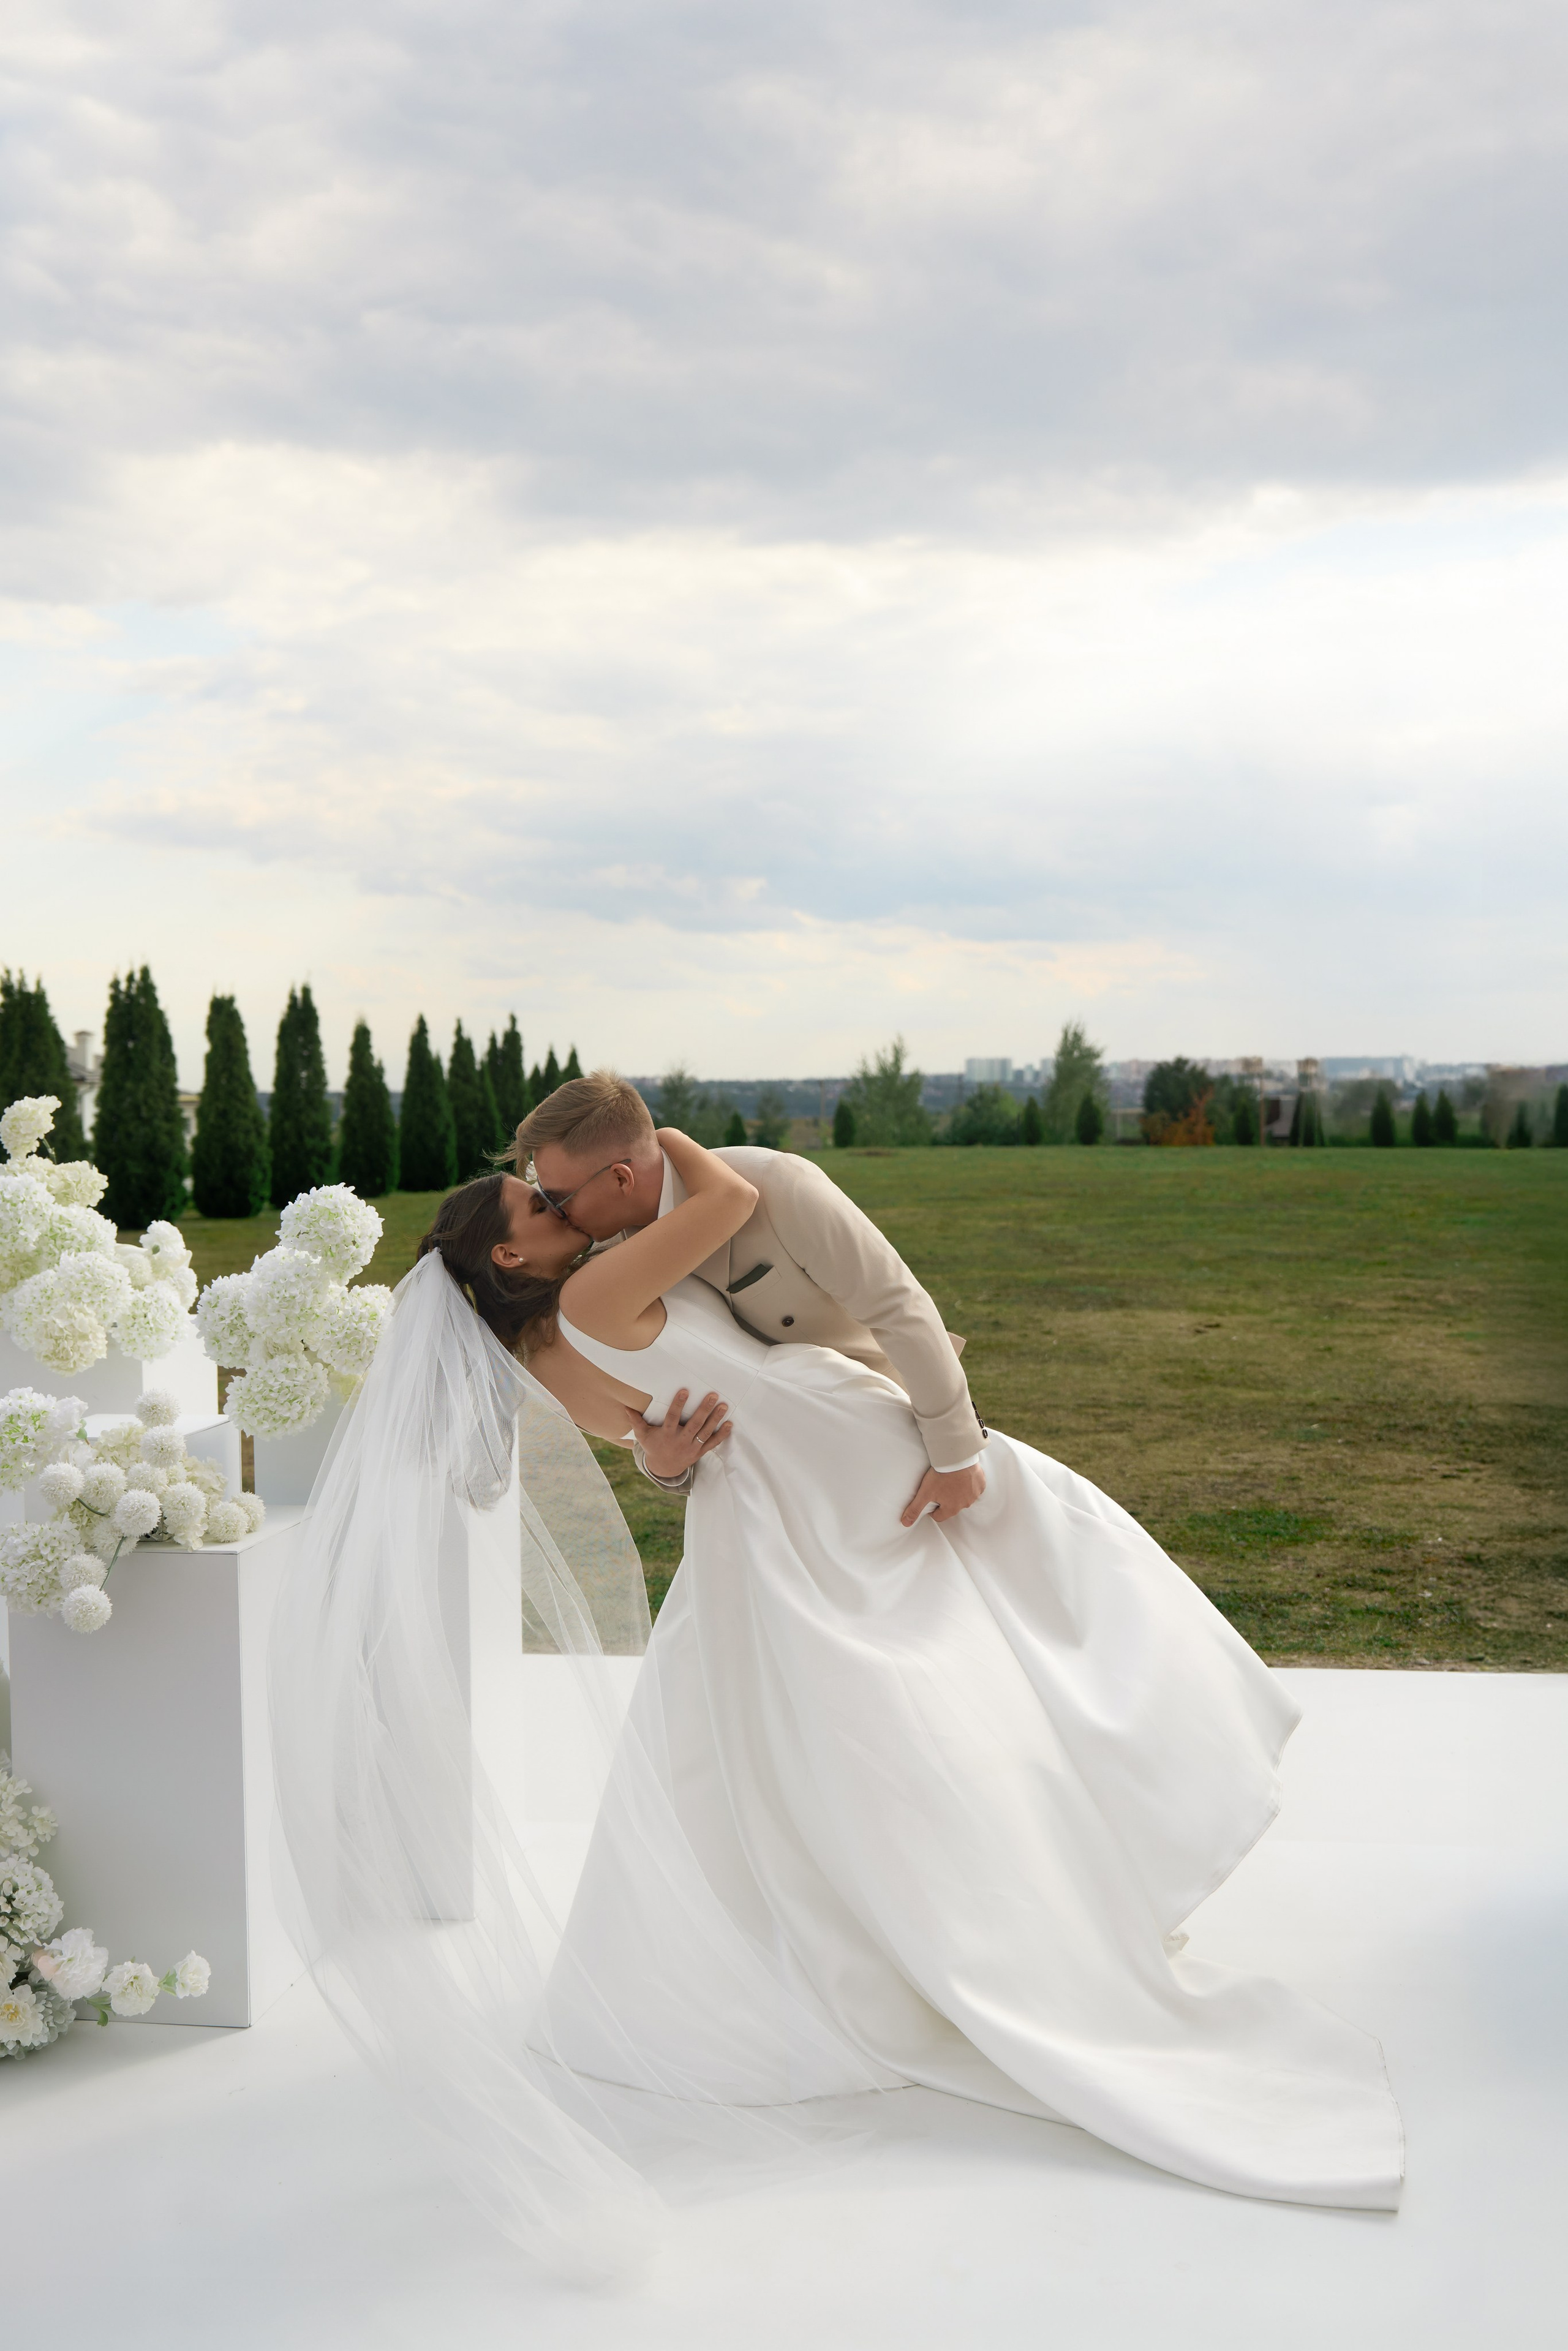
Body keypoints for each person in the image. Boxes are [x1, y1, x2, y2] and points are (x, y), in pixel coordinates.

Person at [406, 1102, 1403, 2222]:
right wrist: (659, 1135)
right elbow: (724, 1219)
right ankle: (1016, 1896)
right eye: (540, 1204)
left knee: (805, 1726)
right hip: (818, 1463)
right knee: (952, 1670)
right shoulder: (595, 1287)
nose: (557, 1207)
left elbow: (649, 1433)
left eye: (559, 1188)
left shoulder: (550, 1337)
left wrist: (667, 1457)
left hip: (774, 1493)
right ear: (509, 1253)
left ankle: (934, 1916)